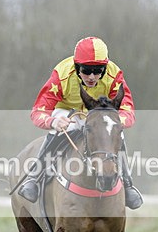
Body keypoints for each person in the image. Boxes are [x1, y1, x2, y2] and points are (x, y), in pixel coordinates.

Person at [17, 36, 143, 209]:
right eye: (86, 70)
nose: (92, 76)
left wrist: (114, 122)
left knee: (116, 132)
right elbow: (38, 111)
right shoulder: (61, 74)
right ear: (77, 67)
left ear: (105, 69)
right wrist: (53, 122)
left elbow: (128, 110)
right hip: (68, 112)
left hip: (98, 114)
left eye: (98, 70)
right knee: (57, 131)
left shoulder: (115, 74)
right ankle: (34, 177)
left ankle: (128, 184)